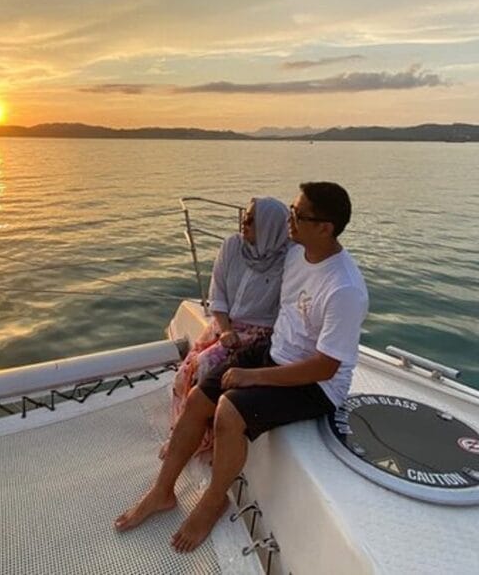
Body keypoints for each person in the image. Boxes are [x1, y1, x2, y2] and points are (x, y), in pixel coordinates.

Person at [116, 182, 368, 553]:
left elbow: (326, 367)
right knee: (199, 397)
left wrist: (254, 376)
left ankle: (214, 499)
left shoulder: (344, 288)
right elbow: (254, 250)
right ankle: (162, 490)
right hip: (275, 350)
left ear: (325, 227)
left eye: (297, 215)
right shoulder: (297, 252)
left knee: (228, 411)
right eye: (290, 210)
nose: (289, 220)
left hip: (315, 384)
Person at [165, 196, 289, 459]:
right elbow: (217, 295)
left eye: (252, 219)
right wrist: (224, 330)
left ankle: (199, 438)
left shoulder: (287, 263)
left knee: (206, 367)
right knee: (185, 372)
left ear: (269, 226)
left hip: (258, 335)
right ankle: (181, 432)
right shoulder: (232, 246)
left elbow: (283, 315)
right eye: (246, 214)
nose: (244, 221)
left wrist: (243, 338)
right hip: (224, 325)